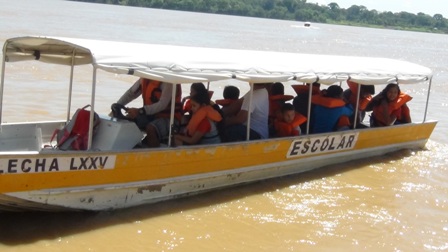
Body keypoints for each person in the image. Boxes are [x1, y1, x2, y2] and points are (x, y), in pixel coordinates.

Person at [113, 78, 182, 148]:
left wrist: (140, 111)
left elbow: (162, 104)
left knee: (151, 128)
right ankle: (124, 148)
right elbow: (131, 93)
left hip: (169, 118)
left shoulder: (168, 82)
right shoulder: (145, 78)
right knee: (128, 120)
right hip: (151, 114)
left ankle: (154, 153)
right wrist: (118, 105)